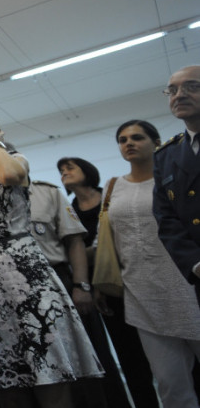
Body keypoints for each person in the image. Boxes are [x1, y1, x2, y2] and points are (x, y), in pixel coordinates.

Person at [0, 100, 102, 408]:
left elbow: (9, 177)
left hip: (26, 272)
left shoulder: (16, 160)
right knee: (5, 378)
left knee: (49, 368)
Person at [98, 119, 200, 407]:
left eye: (137, 137)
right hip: (143, 294)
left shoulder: (173, 180)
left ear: (157, 143)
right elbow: (105, 237)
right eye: (122, 140)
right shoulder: (113, 186)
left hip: (187, 286)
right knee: (169, 383)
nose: (129, 143)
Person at [59, 157, 159, 407]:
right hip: (103, 287)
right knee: (128, 354)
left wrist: (85, 252)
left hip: (136, 278)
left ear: (87, 171)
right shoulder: (70, 211)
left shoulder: (112, 198)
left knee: (158, 347)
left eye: (70, 168)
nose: (64, 173)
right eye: (61, 170)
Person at [28, 180, 123, 408]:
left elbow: (74, 241)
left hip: (58, 279)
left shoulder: (46, 192)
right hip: (17, 288)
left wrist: (82, 286)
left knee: (87, 364)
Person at [154, 65, 200, 307]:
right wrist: (195, 263)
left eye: (192, 87)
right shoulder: (165, 155)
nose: (179, 95)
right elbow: (166, 218)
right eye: (172, 91)